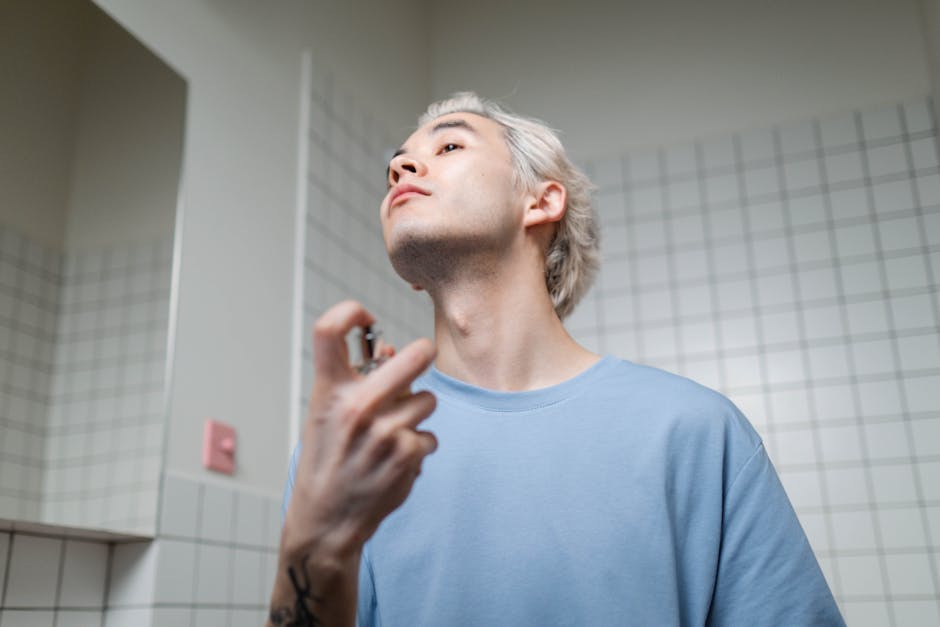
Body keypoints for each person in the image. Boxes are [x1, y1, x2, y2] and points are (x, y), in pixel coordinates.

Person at [267, 92, 846, 626]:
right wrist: (313, 546)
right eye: (396, 162)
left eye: (448, 145)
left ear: (541, 201)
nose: (400, 168)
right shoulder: (363, 445)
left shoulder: (697, 432)